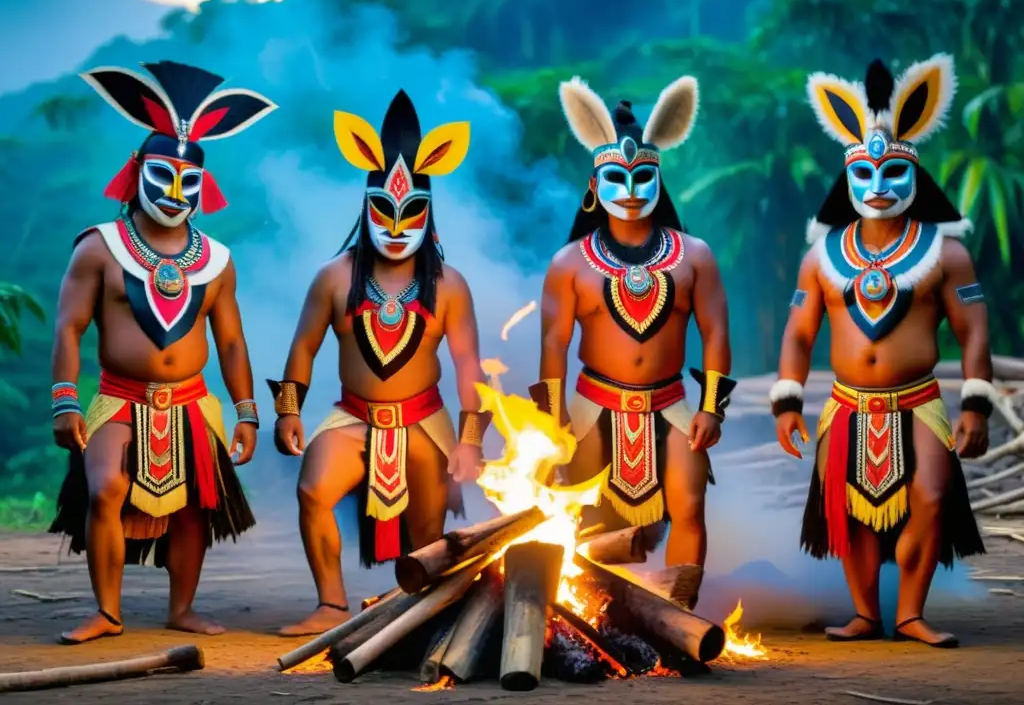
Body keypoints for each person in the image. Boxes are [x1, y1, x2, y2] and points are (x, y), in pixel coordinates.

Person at [49, 61, 276, 644]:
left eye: (187, 180)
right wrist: (65, 401)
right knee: (105, 489)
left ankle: (182, 608)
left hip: (193, 401)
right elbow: (69, 328)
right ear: (135, 172)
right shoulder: (99, 248)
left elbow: (230, 340)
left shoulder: (218, 260)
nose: (174, 192)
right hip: (118, 397)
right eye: (162, 175)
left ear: (205, 186)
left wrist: (247, 412)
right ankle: (107, 611)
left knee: (196, 506)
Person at [771, 54, 991, 648]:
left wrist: (976, 406)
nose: (877, 185)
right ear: (845, 178)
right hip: (846, 404)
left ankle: (912, 613)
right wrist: (786, 401)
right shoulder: (820, 258)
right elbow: (798, 333)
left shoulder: (946, 254)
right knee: (851, 508)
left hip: (919, 401)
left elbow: (973, 332)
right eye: (863, 173)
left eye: (892, 171)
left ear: (916, 175)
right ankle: (867, 614)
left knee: (931, 494)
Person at [269, 90, 490, 636]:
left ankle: (417, 612)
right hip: (353, 417)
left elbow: (470, 368)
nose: (395, 225)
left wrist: (470, 440)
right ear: (365, 210)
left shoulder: (451, 285)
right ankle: (331, 605)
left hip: (425, 420)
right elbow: (303, 348)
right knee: (313, 489)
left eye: (410, 212)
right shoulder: (333, 276)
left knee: (428, 529)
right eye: (383, 212)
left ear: (429, 213)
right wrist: (288, 412)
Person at [531, 76, 735, 609]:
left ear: (658, 180)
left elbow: (715, 334)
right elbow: (553, 345)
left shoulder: (695, 255)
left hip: (671, 405)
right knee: (583, 511)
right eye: (616, 178)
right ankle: (592, 614)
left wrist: (712, 408)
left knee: (689, 507)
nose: (630, 190)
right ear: (595, 187)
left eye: (643, 176)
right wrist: (550, 423)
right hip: (592, 402)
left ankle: (678, 616)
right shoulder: (569, 262)